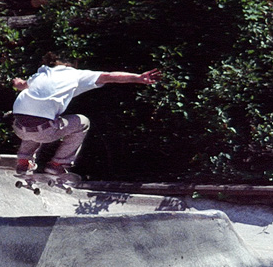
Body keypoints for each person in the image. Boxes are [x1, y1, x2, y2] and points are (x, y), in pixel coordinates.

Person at [11, 52, 162, 176]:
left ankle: (24, 162)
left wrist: (16, 82)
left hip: (18, 127)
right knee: (82, 122)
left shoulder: (42, 73)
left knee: (35, 117)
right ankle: (57, 164)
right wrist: (137, 78)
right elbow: (109, 76)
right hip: (44, 130)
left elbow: (21, 86)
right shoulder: (77, 75)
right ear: (71, 65)